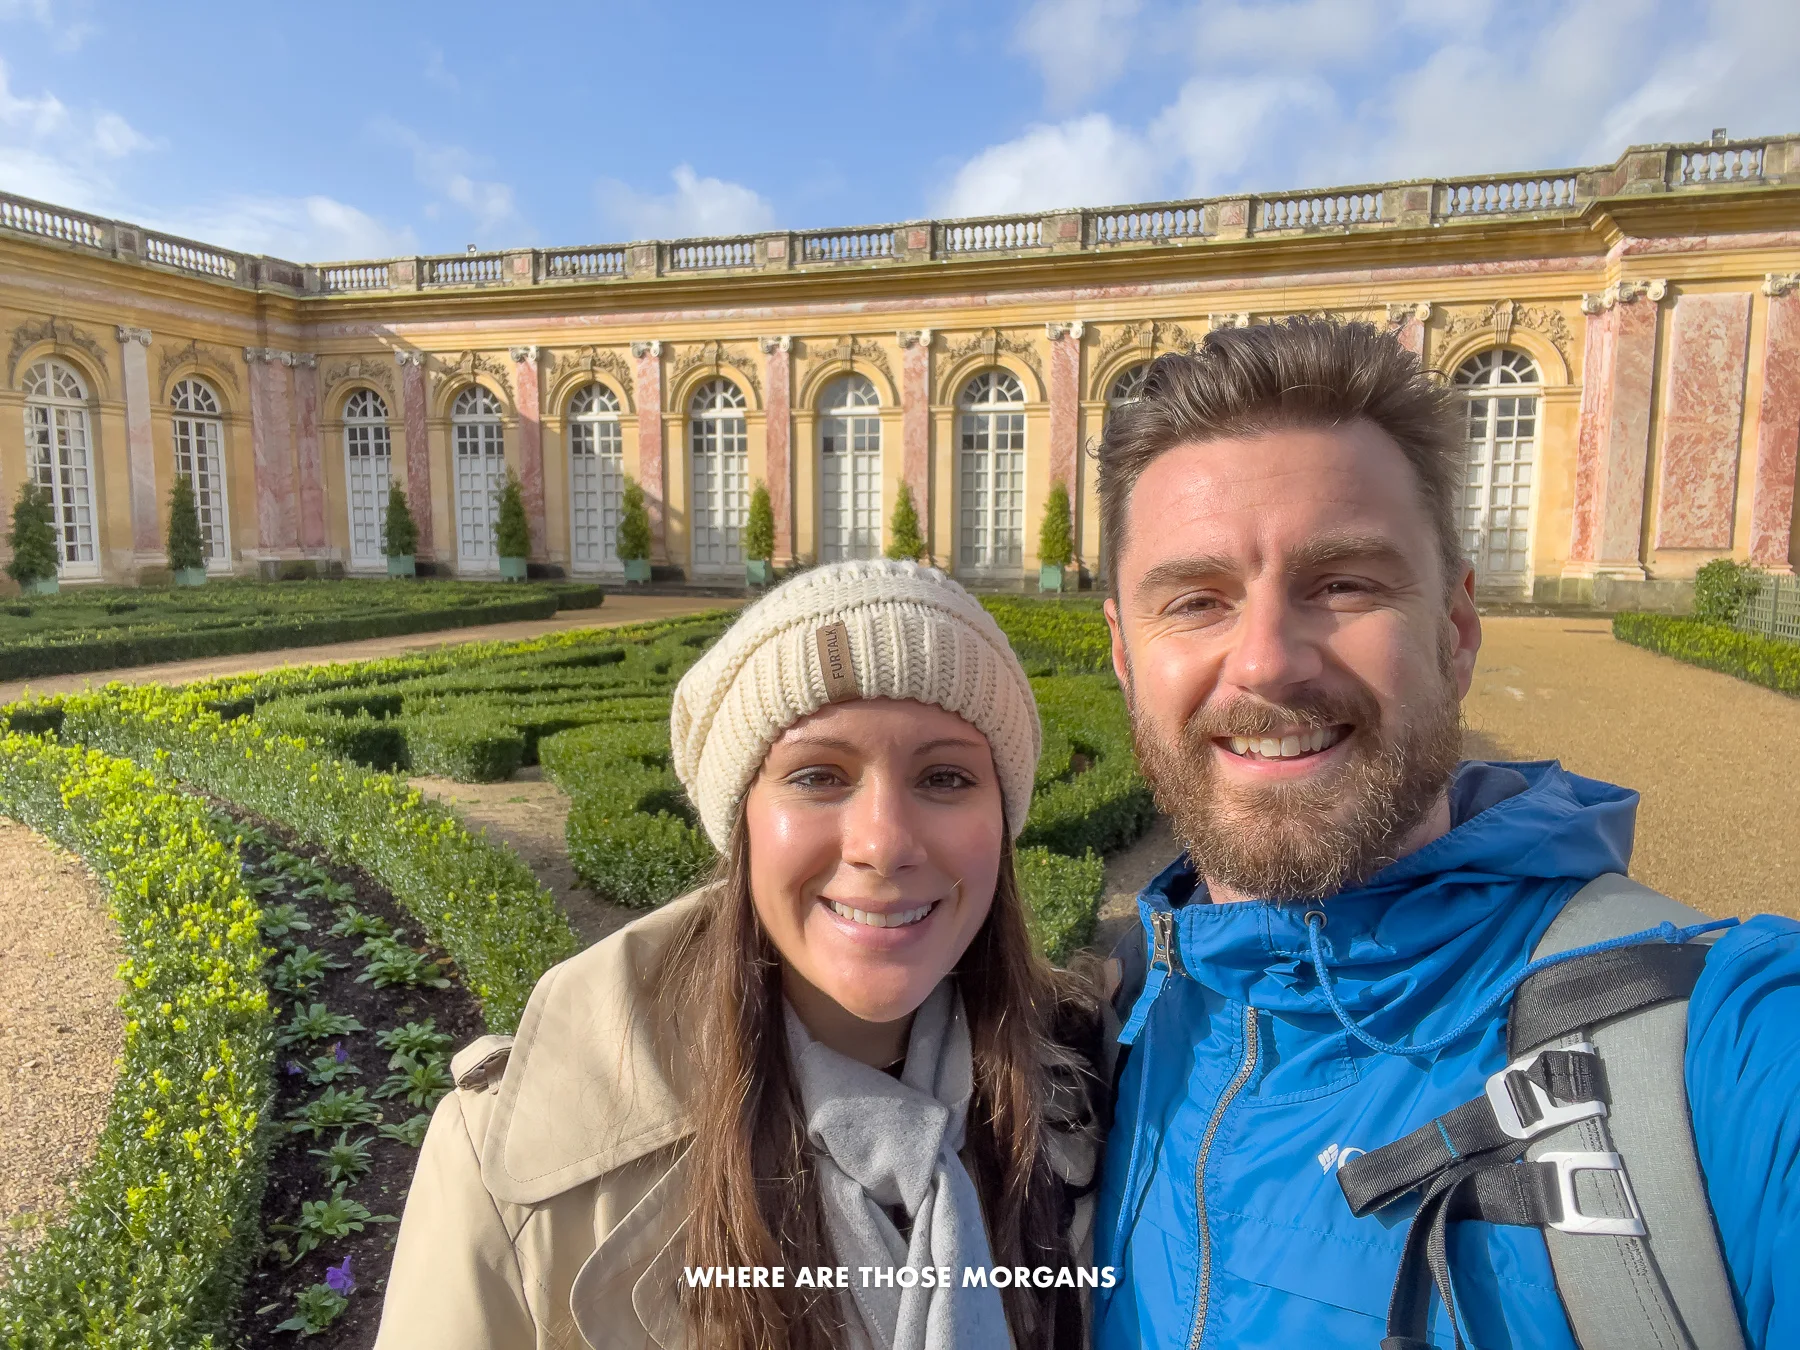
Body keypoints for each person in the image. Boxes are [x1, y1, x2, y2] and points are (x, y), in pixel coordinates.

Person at [1091, 319, 1799, 1349]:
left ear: (1457, 631)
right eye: (1195, 601)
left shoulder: (1722, 1040)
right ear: (1123, 651)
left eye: (1343, 584)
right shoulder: (1099, 1036)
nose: (1266, 663)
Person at [374, 559, 1108, 1350]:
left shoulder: (1094, 1082)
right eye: (819, 776)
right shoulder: (504, 1168)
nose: (884, 844)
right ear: (741, 824)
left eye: (946, 776)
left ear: (1003, 818)